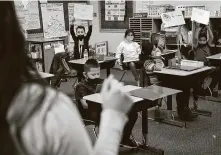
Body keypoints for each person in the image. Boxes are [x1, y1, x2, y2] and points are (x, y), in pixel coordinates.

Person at [1, 2, 136, 155]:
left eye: (80, 30)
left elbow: (89, 31)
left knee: (85, 82)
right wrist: (114, 117)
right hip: (77, 67)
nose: (79, 32)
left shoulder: (85, 40)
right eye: (77, 30)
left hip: (83, 66)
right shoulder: (48, 110)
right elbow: (72, 33)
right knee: (78, 82)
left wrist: (88, 23)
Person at [75, 59, 138, 148]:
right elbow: (85, 106)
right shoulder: (80, 86)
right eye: (93, 75)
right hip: (90, 113)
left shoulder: (101, 82)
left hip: (103, 108)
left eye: (98, 73)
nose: (96, 76)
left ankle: (125, 139)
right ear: (85, 74)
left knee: (132, 113)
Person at [192, 23, 220, 108]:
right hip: (198, 68)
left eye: (204, 40)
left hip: (207, 67)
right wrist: (197, 29)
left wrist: (208, 27)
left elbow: (211, 37)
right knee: (199, 79)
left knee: (218, 72)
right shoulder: (196, 47)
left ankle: (209, 90)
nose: (202, 42)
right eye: (201, 40)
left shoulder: (208, 45)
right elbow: (195, 38)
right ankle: (199, 92)